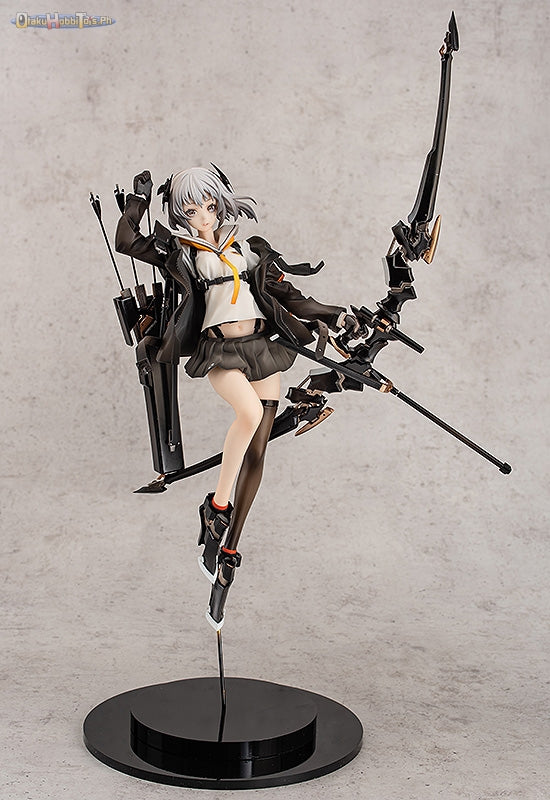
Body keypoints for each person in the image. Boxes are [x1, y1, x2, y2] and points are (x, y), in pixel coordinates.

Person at [115, 165, 356, 629]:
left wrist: (336, 316)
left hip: (263, 348)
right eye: (191, 209)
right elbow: (127, 242)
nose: (203, 216)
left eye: (209, 206)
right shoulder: (179, 252)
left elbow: (288, 294)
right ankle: (216, 507)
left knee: (258, 452)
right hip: (220, 352)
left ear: (221, 203)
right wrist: (138, 202)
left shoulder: (247, 250)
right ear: (180, 213)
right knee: (247, 415)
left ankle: (228, 550)